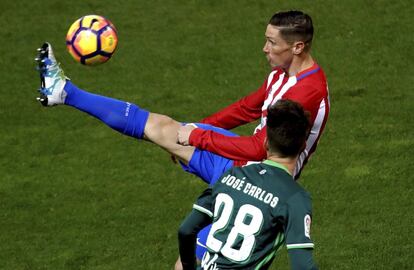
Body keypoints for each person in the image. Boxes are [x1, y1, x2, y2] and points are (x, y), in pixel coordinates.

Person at [35, 10, 328, 265]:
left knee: (191, 262)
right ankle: (64, 92)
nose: (265, 48)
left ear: (298, 47)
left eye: (272, 42)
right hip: (238, 165)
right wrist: (192, 130)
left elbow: (256, 147)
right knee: (163, 127)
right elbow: (246, 108)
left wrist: (196, 137)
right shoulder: (281, 73)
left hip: (258, 187)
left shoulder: (307, 91)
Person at [178, 99, 318, 269]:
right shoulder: (294, 198)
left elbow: (186, 230)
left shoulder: (231, 176)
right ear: (303, 146)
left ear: (265, 142)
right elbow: (302, 266)